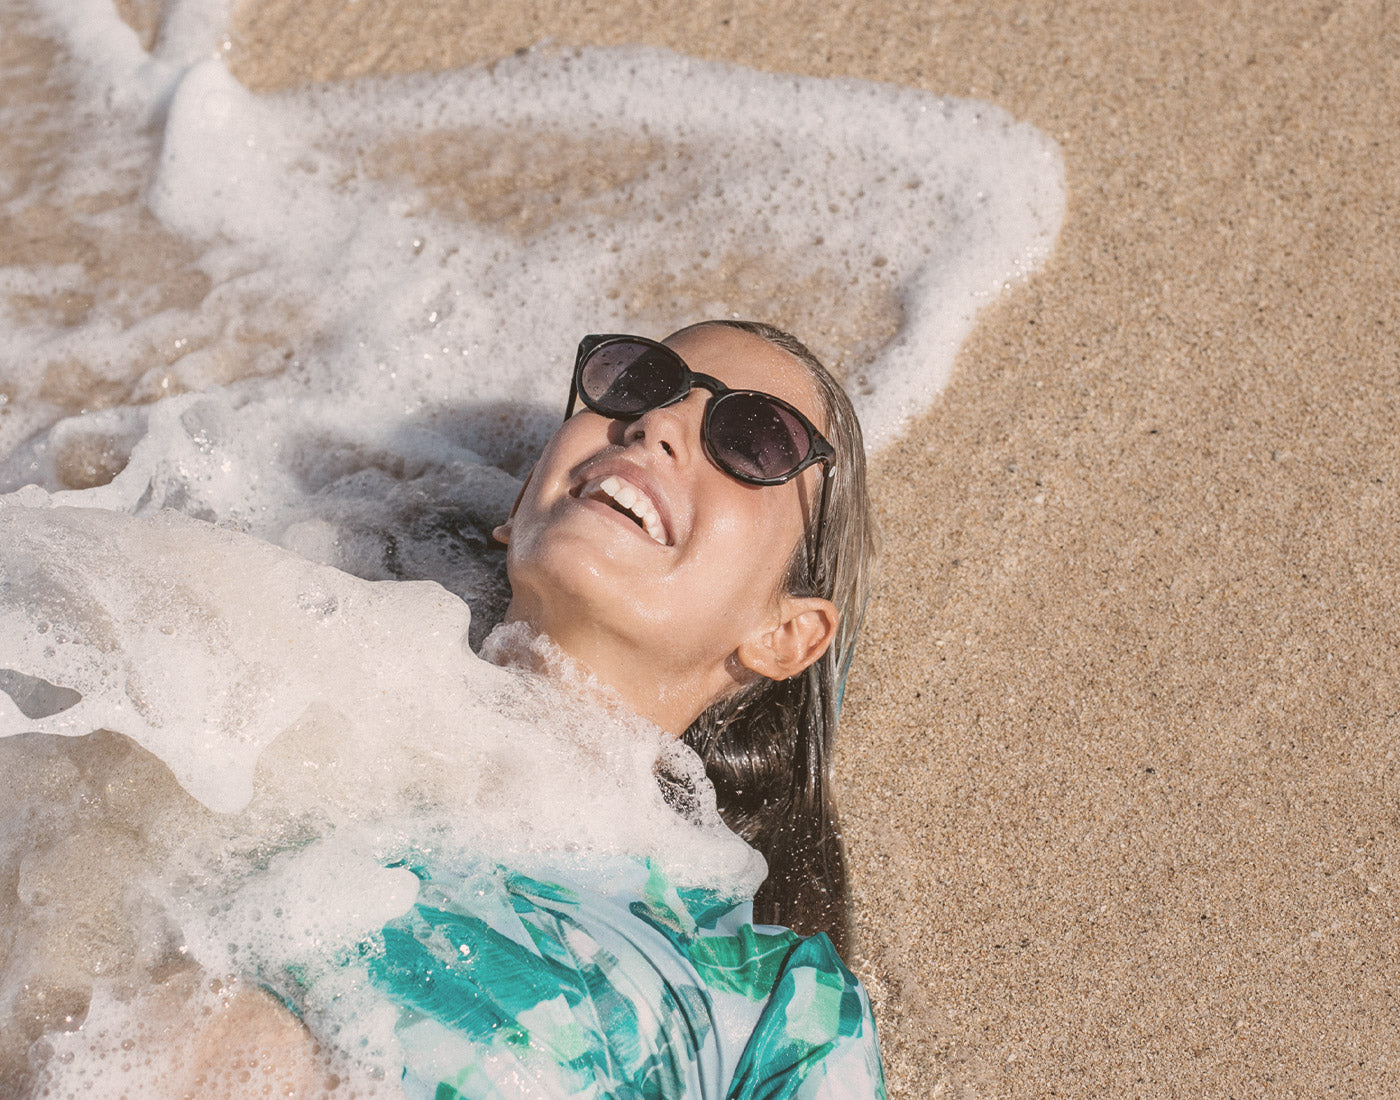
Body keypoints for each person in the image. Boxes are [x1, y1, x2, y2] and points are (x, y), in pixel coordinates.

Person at [136, 320, 885, 1098]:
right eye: (638, 385)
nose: (656, 423)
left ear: (788, 635)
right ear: (523, 500)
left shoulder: (779, 1013)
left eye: (752, 440)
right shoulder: (250, 710)